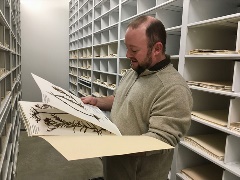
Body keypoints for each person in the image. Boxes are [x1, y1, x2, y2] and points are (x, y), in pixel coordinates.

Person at [82, 15, 193, 180]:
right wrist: (97, 102)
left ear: (156, 49)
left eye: (134, 50)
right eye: (127, 48)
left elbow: (160, 139)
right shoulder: (134, 71)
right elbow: (121, 99)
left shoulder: (173, 88)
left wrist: (110, 143)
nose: (127, 55)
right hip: (115, 169)